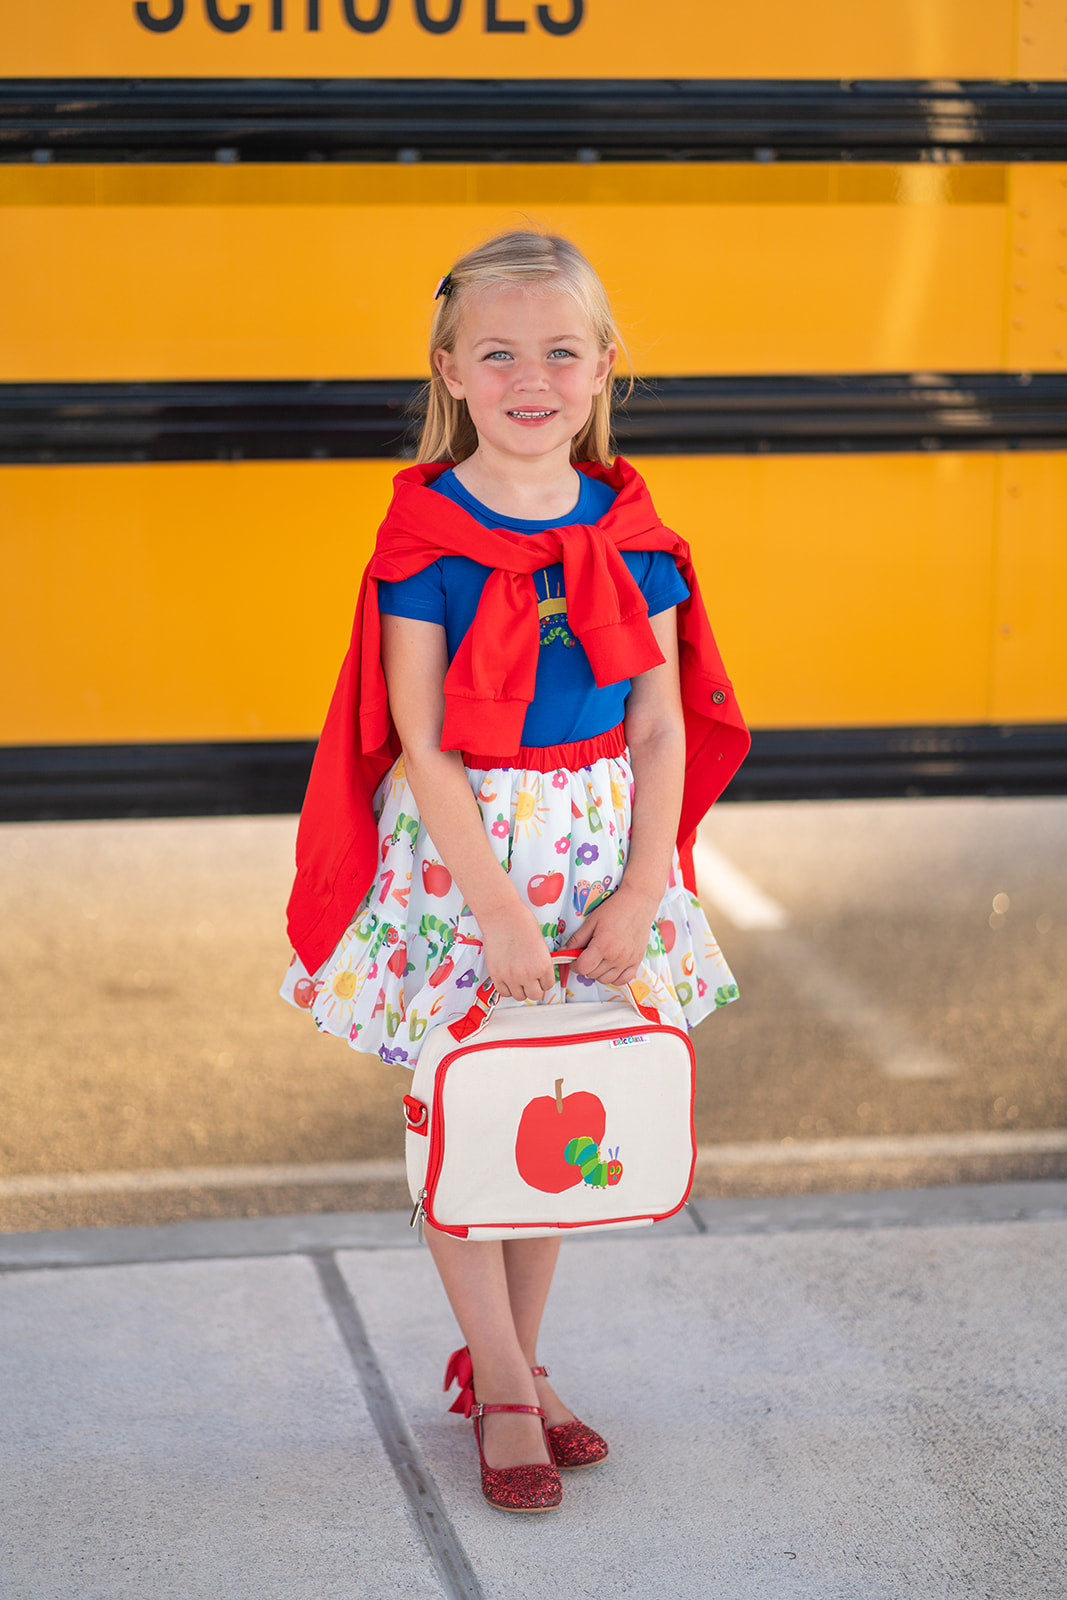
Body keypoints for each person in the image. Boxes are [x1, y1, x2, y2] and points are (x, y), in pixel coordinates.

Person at [281, 229, 749, 1513]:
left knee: (554, 1108)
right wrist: (492, 909)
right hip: (463, 863)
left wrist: (643, 886)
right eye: (496, 352)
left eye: (559, 348)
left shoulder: (632, 526)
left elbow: (658, 720)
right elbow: (419, 740)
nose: (528, 374)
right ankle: (499, 1387)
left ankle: (519, 1363)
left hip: (599, 849)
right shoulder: (423, 536)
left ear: (604, 367)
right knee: (461, 1113)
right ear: (449, 369)